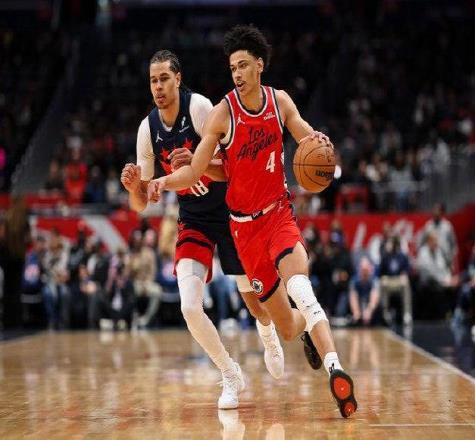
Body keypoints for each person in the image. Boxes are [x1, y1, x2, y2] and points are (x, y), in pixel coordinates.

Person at [146, 26, 357, 418]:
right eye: (232, 68)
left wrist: (323, 148)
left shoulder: (280, 102)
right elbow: (195, 171)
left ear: (260, 65)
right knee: (287, 326)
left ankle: (336, 370)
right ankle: (303, 334)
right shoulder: (223, 114)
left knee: (300, 286)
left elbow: (308, 139)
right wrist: (162, 181)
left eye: (243, 65)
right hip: (243, 231)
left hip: (278, 214)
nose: (237, 73)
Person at [120, 50, 284, 410]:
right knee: (190, 307)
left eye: (164, 78)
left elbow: (233, 163)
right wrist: (134, 188)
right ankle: (230, 372)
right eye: (153, 80)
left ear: (178, 79)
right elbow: (141, 203)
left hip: (230, 212)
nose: (158, 86)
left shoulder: (199, 108)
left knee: (254, 302)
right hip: (193, 218)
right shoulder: (147, 129)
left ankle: (268, 333)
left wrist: (197, 164)